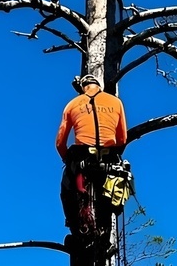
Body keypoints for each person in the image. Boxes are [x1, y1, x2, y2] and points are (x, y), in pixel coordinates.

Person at [55, 73, 128, 236]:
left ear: (83, 88)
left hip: (82, 157)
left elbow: (60, 143)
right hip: (108, 157)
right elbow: (122, 138)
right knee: (112, 187)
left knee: (66, 189)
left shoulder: (72, 104)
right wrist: (114, 155)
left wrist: (67, 159)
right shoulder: (116, 102)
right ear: (99, 86)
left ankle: (72, 222)